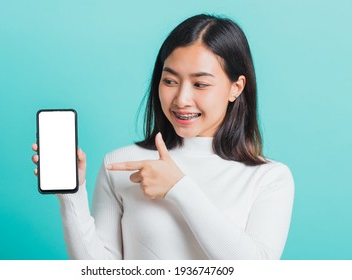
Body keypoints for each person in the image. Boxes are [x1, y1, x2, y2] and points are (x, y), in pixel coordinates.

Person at [32, 14, 294, 259]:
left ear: (235, 88)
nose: (181, 99)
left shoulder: (269, 178)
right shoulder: (121, 164)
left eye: (200, 84)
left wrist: (179, 187)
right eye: (170, 81)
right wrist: (72, 193)